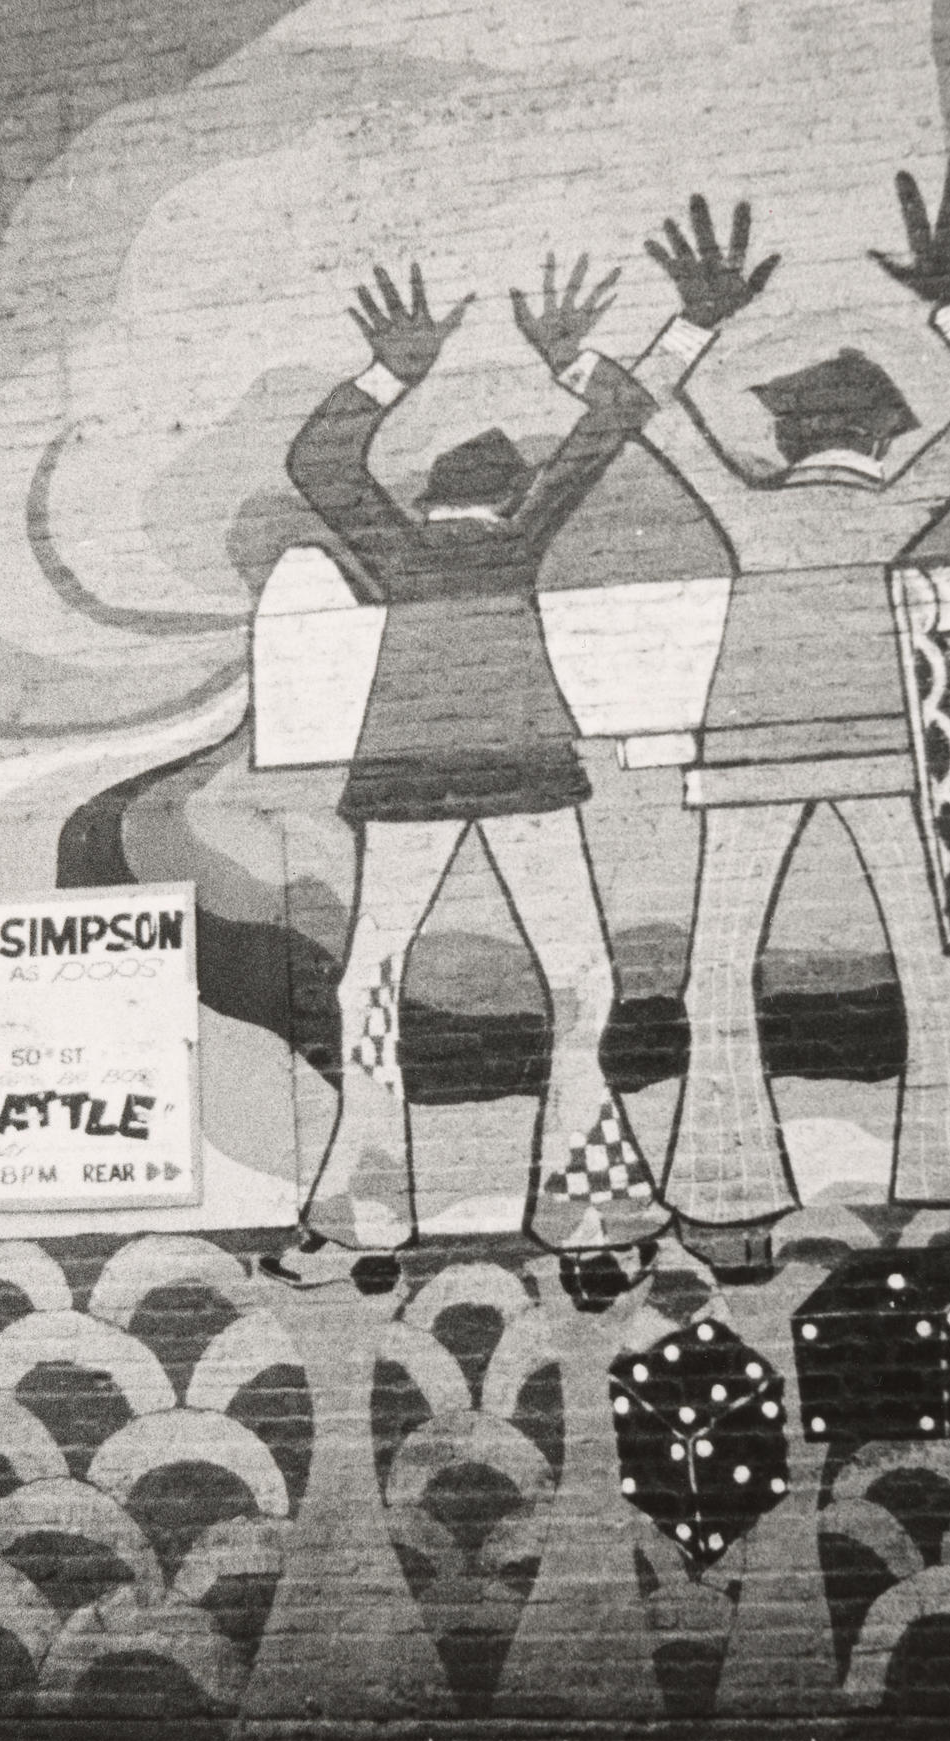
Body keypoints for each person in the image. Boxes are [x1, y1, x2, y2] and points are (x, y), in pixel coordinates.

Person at [607, 169, 950, 1278]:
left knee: (719, 972)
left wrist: (693, 324)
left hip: (748, 763)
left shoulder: (752, 512)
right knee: (939, 956)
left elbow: (645, 415)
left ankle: (727, 1205)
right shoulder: (898, 504)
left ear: (793, 435)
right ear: (883, 436)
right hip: (888, 756)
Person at [266, 258, 710, 1307]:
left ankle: (363, 1219)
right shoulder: (519, 539)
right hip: (518, 770)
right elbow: (616, 420)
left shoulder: (402, 547)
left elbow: (317, 458)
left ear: (434, 496)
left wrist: (390, 374)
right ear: (510, 492)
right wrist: (594, 354)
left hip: (412, 779)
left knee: (370, 979)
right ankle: (593, 1216)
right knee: (577, 983)